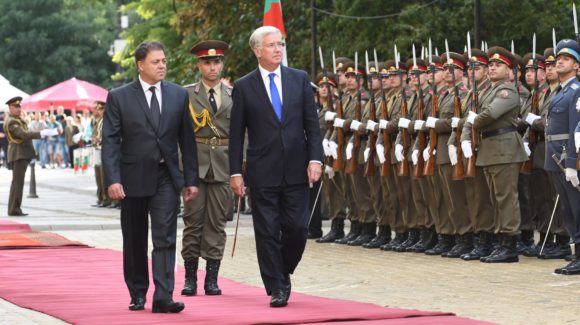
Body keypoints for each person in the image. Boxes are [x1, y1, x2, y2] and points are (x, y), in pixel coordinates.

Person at [102, 41, 199, 313]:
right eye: (156, 61)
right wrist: (113, 179)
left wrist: (190, 180)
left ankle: (163, 296)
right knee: (134, 238)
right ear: (140, 65)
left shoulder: (178, 95)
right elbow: (110, 141)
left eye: (164, 61)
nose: (162, 66)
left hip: (165, 177)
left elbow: (187, 141)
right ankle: (137, 292)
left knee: (165, 237)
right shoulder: (119, 97)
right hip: (131, 179)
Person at [229, 26, 323, 308]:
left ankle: (283, 269)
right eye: (271, 45)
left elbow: (312, 125)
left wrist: (315, 158)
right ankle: (276, 286)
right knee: (267, 230)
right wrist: (235, 172)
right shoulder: (244, 86)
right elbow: (236, 135)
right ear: (257, 50)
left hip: (297, 167)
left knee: (296, 228)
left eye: (280, 44)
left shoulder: (299, 79)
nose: (278, 49)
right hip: (262, 171)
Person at [180, 40, 232, 297]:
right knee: (193, 223)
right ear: (199, 65)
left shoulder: (235, 94)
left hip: (224, 166)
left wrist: (240, 169)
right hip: (195, 166)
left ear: (222, 64)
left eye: (217, 62)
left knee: (217, 223)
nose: (212, 67)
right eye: (207, 62)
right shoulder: (186, 94)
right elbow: (178, 133)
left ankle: (211, 279)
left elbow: (243, 134)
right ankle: (190, 278)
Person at [544, 39, 580, 275]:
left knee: (577, 209)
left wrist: (571, 164)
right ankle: (575, 253)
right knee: (567, 209)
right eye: (559, 58)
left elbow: (577, 130)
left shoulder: (576, 92)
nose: (559, 61)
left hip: (567, 158)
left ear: (577, 66)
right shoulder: (560, 91)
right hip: (554, 157)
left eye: (566, 58)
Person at [5, 96, 56, 216]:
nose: (18, 109)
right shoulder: (12, 121)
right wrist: (41, 133)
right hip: (19, 154)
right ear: (10, 108)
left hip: (20, 154)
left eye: (19, 106)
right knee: (18, 183)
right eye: (16, 106)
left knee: (17, 183)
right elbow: (23, 135)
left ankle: (14, 208)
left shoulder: (17, 120)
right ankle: (14, 209)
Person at [91, 101, 110, 207]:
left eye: (100, 108)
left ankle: (107, 198)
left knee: (104, 175)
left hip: (105, 149)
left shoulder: (107, 120)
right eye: (97, 108)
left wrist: (99, 139)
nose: (98, 110)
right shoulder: (98, 121)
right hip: (98, 148)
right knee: (98, 175)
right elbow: (95, 133)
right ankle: (101, 197)